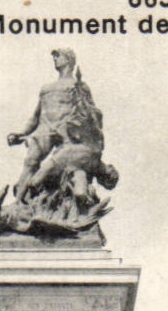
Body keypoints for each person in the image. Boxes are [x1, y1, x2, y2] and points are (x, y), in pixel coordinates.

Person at [7, 48, 103, 204]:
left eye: (59, 56)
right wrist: (20, 133)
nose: (55, 59)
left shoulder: (79, 86)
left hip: (66, 132)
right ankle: (18, 203)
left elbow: (92, 113)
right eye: (55, 56)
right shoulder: (46, 88)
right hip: (44, 130)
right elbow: (35, 116)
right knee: (30, 161)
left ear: (69, 60)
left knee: (63, 168)